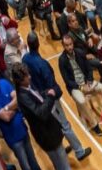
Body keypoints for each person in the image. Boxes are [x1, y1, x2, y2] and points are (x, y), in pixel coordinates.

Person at [12, 62, 90, 170]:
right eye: (26, 76)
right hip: (48, 136)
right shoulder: (23, 96)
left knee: (61, 162)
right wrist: (50, 97)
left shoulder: (25, 89)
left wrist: (45, 94)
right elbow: (41, 113)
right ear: (20, 80)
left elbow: (37, 97)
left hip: (50, 131)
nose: (29, 77)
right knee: (63, 166)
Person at [22, 32, 92, 160]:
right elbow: (51, 84)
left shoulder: (25, 59)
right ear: (38, 44)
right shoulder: (42, 64)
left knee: (55, 124)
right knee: (65, 125)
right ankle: (79, 151)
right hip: (50, 100)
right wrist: (58, 93)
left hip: (38, 99)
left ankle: (62, 146)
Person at [57, 33, 102, 136]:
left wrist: (89, 80)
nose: (69, 47)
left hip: (87, 82)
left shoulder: (80, 52)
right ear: (63, 46)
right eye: (66, 45)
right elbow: (67, 80)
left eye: (70, 44)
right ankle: (94, 125)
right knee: (82, 101)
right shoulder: (62, 60)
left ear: (73, 44)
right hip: (75, 87)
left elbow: (89, 68)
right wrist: (80, 87)